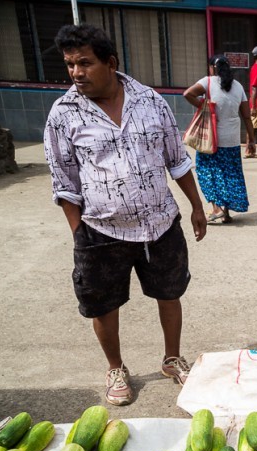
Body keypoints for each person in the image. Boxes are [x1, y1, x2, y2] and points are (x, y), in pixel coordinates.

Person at [44, 23, 207, 406]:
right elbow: (64, 181)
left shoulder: (150, 101)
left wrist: (196, 206)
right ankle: (116, 367)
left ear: (111, 62)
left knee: (169, 293)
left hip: (160, 224)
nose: (76, 73)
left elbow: (178, 161)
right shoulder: (63, 114)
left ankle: (172, 359)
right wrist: (78, 232)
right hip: (100, 230)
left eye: (84, 63)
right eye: (70, 64)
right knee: (103, 303)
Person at [184, 55, 256, 224]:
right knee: (230, 174)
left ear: (212, 68)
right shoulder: (238, 86)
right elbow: (246, 116)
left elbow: (187, 94)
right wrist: (251, 140)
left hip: (212, 139)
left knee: (207, 171)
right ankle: (227, 212)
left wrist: (206, 106)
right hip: (232, 139)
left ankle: (217, 209)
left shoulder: (208, 81)